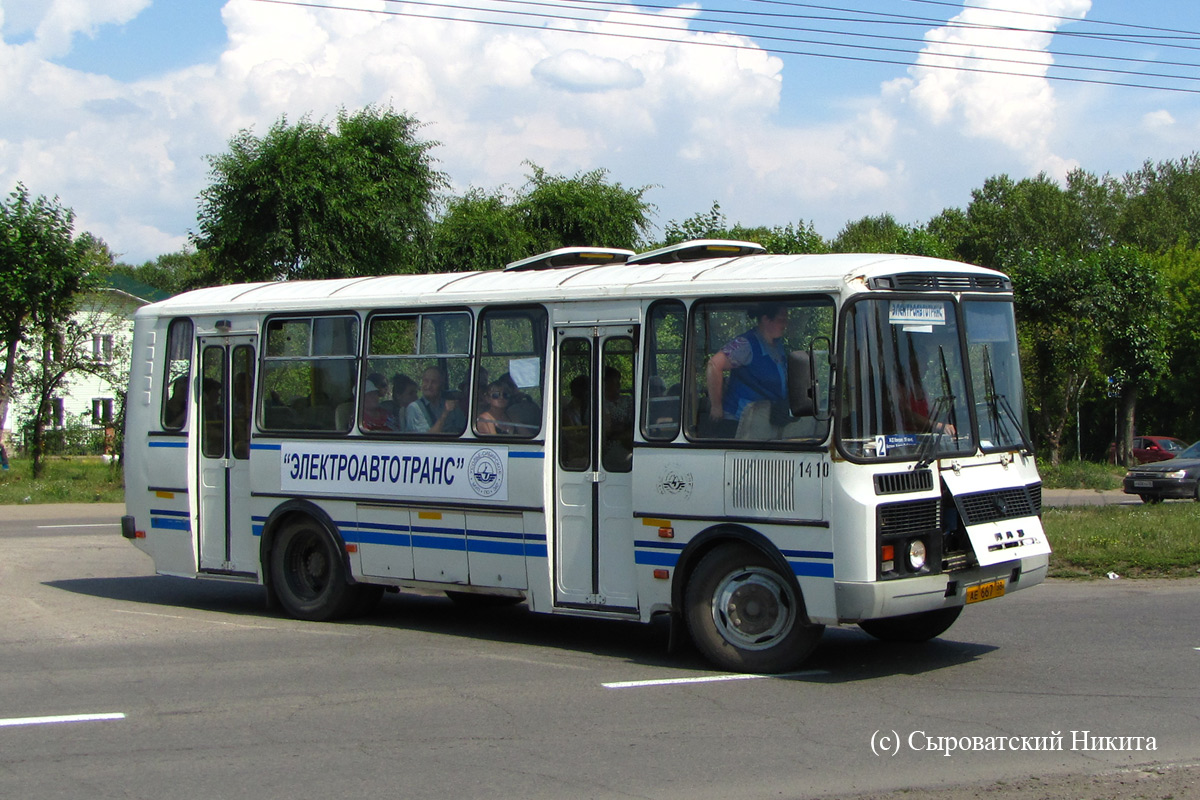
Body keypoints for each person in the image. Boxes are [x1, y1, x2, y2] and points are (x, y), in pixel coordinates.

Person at [706, 303, 789, 424]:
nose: (785, 325)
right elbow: (714, 365)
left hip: (766, 418)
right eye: (781, 320)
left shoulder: (777, 345)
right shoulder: (746, 344)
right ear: (766, 320)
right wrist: (716, 406)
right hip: (740, 421)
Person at [406, 366, 466, 434]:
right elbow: (426, 438)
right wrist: (445, 414)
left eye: (434, 382)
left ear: (441, 385)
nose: (428, 386)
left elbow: (462, 430)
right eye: (426, 381)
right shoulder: (414, 408)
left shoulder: (450, 404)